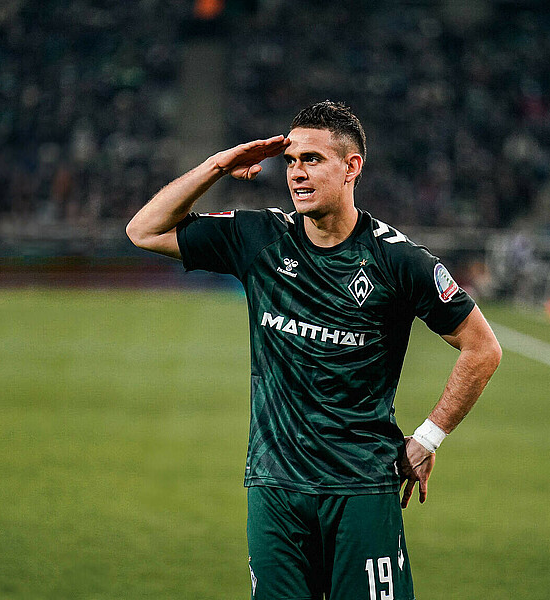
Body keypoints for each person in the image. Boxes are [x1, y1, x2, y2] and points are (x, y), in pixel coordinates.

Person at [126, 100, 502, 600]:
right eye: (291, 161)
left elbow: (481, 347)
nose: (297, 174)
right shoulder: (260, 237)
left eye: (313, 160)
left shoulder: (397, 260)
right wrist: (218, 165)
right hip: (275, 487)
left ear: (352, 168)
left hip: (361, 487)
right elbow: (144, 230)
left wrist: (428, 438)